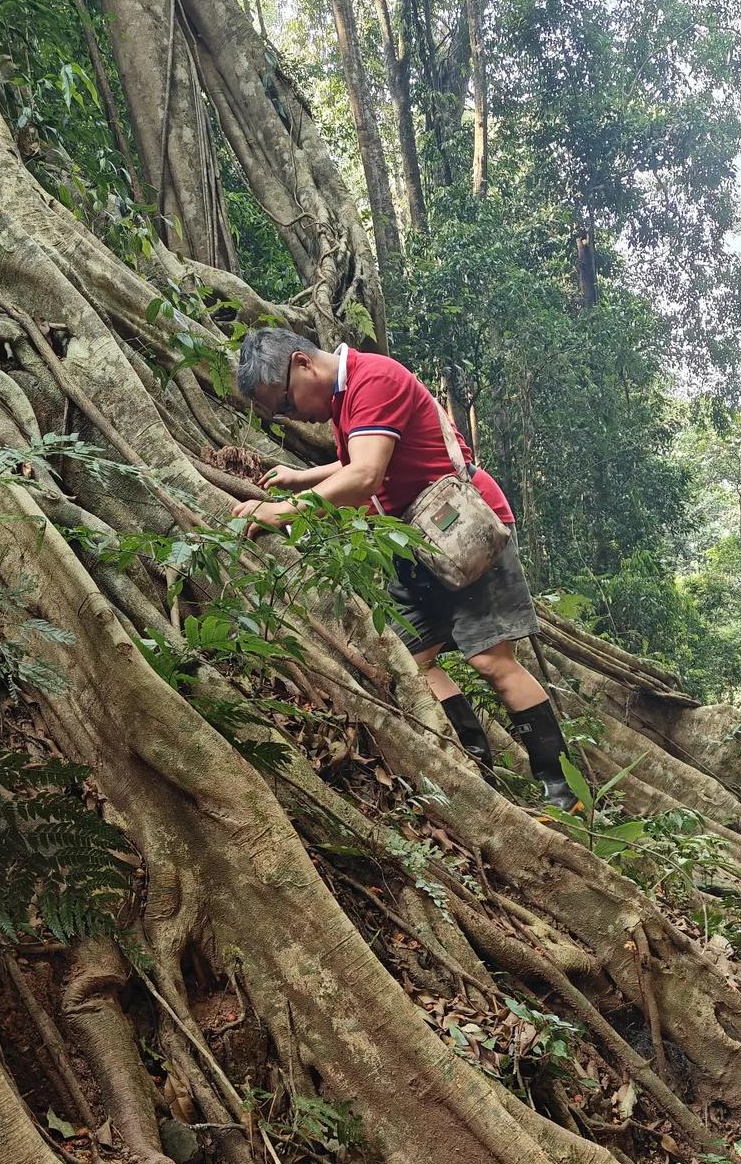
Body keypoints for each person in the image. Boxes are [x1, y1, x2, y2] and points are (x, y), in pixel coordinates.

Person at [232, 328, 581, 811]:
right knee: (409, 662)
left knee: (491, 661)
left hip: (464, 534)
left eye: (286, 403)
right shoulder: (345, 399)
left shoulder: (373, 378)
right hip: (414, 546)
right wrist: (301, 477)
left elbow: (364, 475)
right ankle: (474, 768)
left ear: (302, 363)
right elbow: (354, 459)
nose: (292, 416)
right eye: (282, 414)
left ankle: (562, 792)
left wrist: (285, 511)